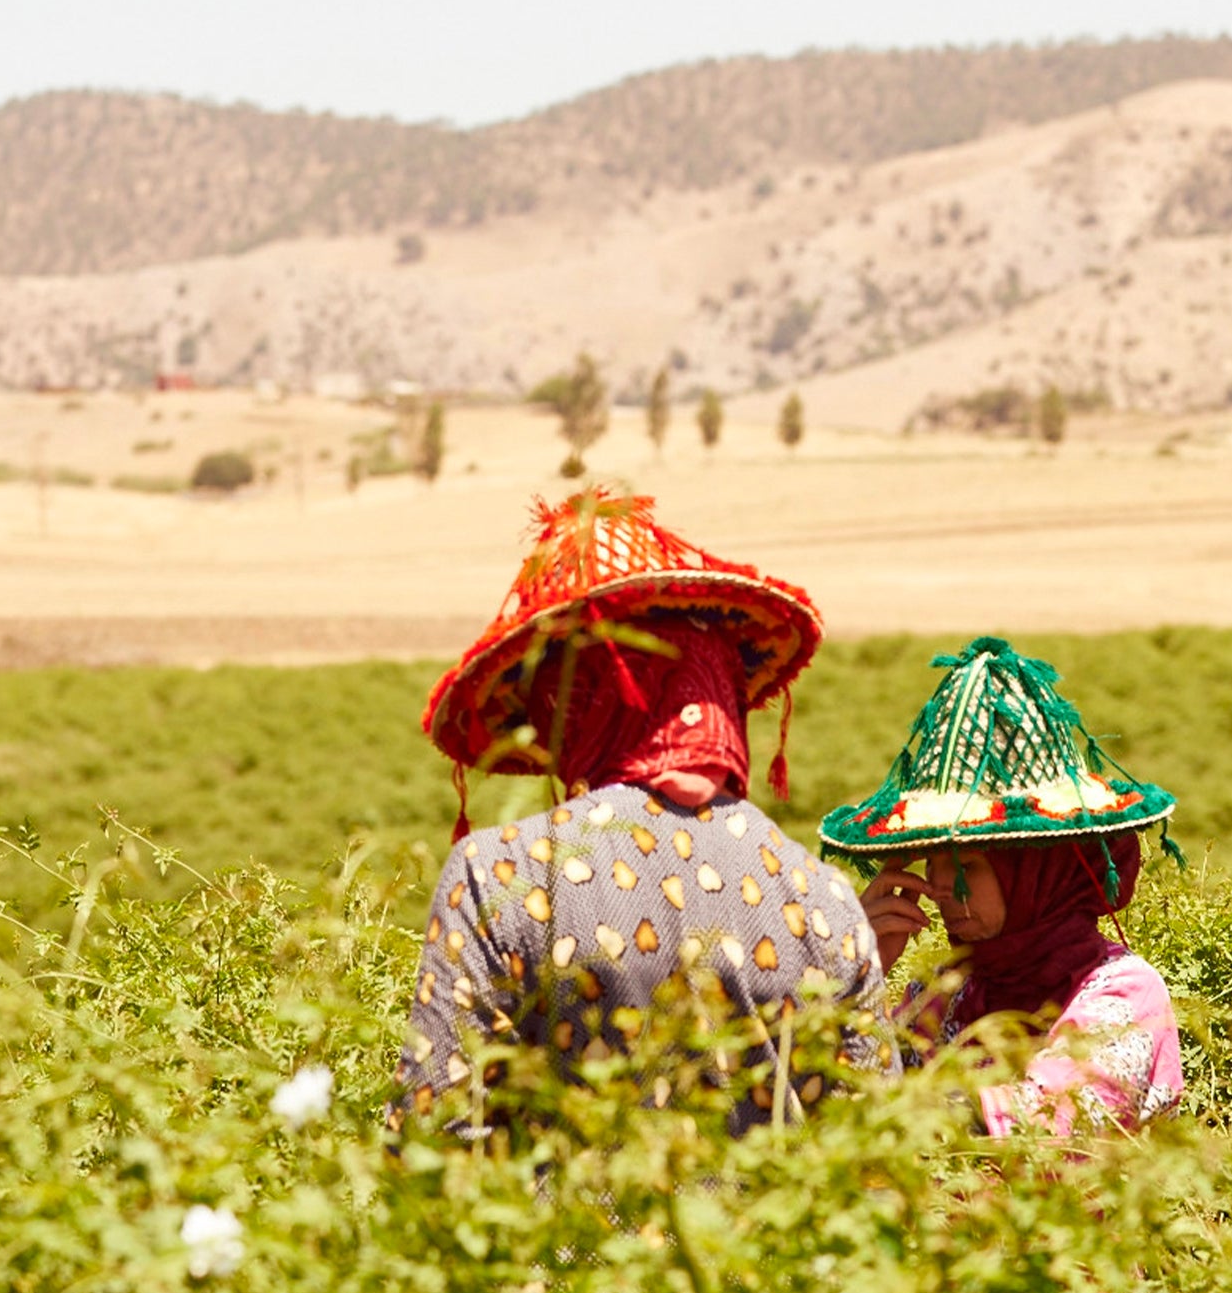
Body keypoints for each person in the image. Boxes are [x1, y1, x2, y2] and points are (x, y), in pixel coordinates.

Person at [401, 488, 882, 1135]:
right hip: (772, 1238)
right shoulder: (820, 894)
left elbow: (432, 1135)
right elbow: (872, 1150)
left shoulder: (502, 873)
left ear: (570, 703)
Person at [824, 636, 1186, 1138]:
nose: (942, 888)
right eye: (935, 864)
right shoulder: (946, 993)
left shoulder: (1124, 993)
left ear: (1037, 873)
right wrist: (862, 972)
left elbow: (1045, 1129)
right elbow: (832, 1093)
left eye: (967, 866)